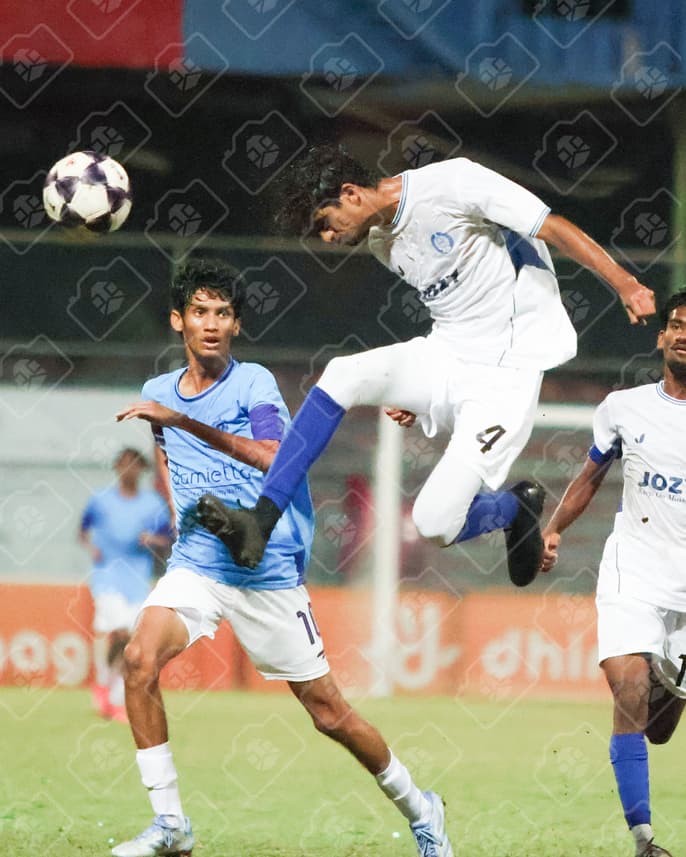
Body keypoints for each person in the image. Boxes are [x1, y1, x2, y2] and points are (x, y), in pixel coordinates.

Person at [112, 258, 454, 857]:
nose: (211, 323)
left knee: (330, 714)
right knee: (138, 661)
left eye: (223, 313)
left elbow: (275, 456)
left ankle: (422, 809)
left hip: (266, 570)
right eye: (200, 312)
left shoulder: (255, 384)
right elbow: (168, 454)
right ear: (178, 321)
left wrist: (184, 422)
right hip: (198, 563)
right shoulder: (156, 394)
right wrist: (177, 516)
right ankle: (171, 826)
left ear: (236, 326)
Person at [195, 145, 656, 587]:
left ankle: (515, 509)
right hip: (448, 351)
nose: (327, 238)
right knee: (341, 374)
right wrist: (420, 393)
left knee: (434, 522)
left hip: (506, 371)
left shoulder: (454, 183)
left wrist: (624, 283)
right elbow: (452, 312)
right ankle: (261, 519)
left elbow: (549, 226)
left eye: (325, 223)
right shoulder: (381, 242)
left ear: (352, 194)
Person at [540, 290, 686, 857]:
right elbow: (590, 477)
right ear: (660, 336)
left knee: (660, 725)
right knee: (628, 685)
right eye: (674, 325)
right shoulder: (623, 407)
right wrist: (554, 528)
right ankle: (644, 840)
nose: (681, 335)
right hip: (633, 568)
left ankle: (668, 690)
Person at [78, 447, 171, 723]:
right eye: (123, 464)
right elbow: (82, 529)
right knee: (117, 631)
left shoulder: (153, 504)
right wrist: (91, 547)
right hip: (107, 574)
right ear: (116, 468)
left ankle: (112, 693)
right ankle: (107, 689)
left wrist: (151, 541)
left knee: (131, 639)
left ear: (141, 470)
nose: (128, 470)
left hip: (137, 576)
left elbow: (166, 538)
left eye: (134, 465)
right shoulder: (100, 500)